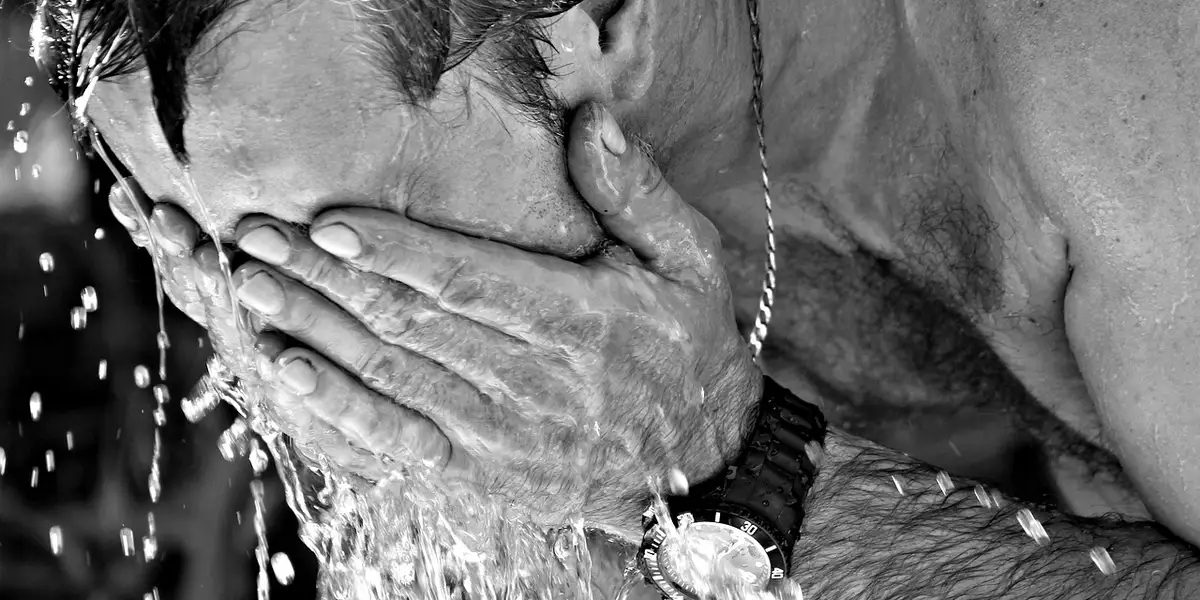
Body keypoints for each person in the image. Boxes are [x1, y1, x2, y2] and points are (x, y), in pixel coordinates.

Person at [35, 0, 1200, 596]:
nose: (303, 328)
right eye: (219, 253)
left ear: (602, 21)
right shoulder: (575, 278)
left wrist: (738, 476)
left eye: (350, 246)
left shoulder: (1119, 91)